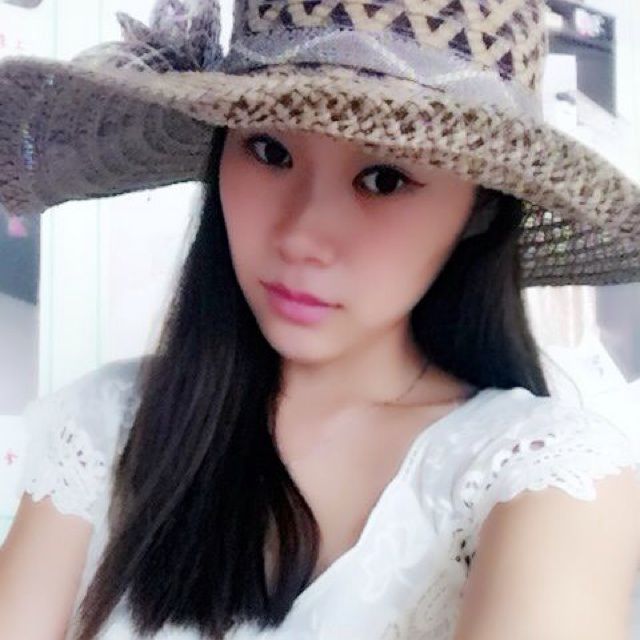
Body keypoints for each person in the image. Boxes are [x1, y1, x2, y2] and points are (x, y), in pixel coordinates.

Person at [0, 0, 639, 639]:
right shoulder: (105, 427)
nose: (303, 234)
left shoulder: (545, 478)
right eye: (269, 149)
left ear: (481, 208)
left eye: (384, 179)